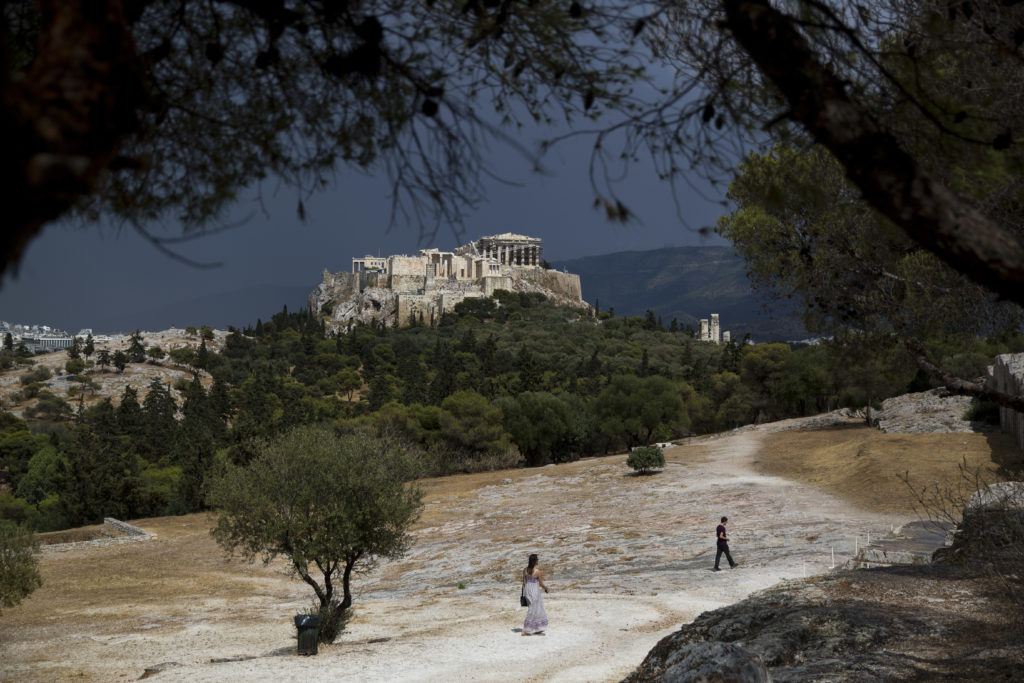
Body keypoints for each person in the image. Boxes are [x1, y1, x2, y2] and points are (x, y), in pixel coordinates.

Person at [521, 553, 550, 635]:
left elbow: (524, 582)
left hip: (527, 590)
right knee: (534, 609)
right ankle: (526, 630)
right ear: (535, 561)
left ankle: (536, 628)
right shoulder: (538, 572)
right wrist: (546, 588)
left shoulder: (525, 570)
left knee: (532, 609)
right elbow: (540, 584)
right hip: (535, 591)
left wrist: (526, 591)